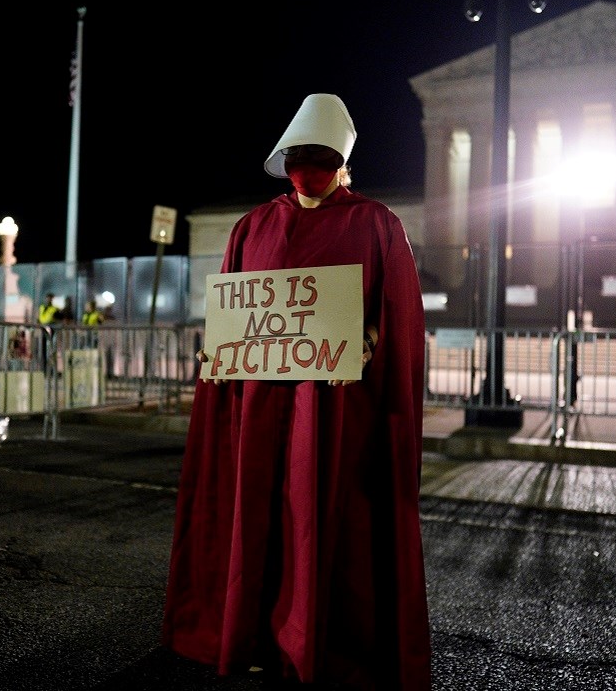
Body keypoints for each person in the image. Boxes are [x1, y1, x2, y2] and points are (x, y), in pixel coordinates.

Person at [161, 93, 430, 689]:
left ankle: (321, 641)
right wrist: (218, 354)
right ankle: (253, 631)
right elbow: (236, 313)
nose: (307, 175)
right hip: (258, 405)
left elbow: (398, 318)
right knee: (259, 513)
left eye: (320, 162)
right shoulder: (252, 225)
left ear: (342, 164)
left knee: (318, 519)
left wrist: (366, 343)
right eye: (298, 161)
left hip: (333, 407)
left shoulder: (377, 224)